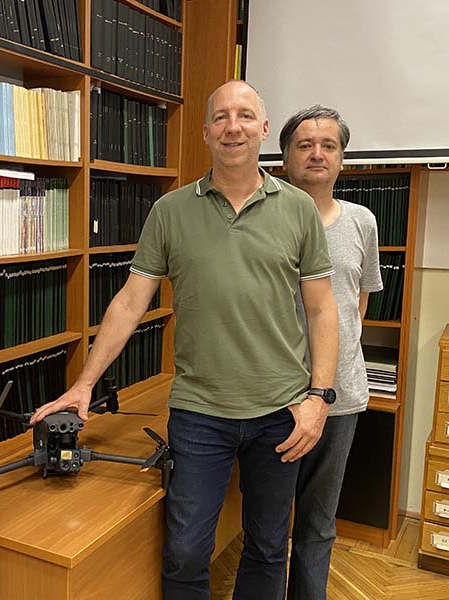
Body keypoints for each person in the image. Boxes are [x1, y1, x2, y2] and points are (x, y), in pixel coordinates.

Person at [31, 80, 339, 600]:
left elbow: (322, 308)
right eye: (221, 117)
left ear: (264, 129)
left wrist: (319, 398)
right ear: (205, 132)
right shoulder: (170, 211)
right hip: (199, 414)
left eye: (245, 116)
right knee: (186, 554)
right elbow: (130, 302)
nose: (233, 127)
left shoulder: (298, 209)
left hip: (281, 411)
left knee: (267, 548)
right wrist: (84, 384)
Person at [280, 106, 383, 600]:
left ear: (342, 159)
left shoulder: (362, 221)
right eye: (304, 145)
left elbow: (356, 302)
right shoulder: (264, 218)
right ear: (285, 158)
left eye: (329, 146)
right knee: (266, 522)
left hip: (339, 398)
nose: (317, 154)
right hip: (274, 395)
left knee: (318, 523)